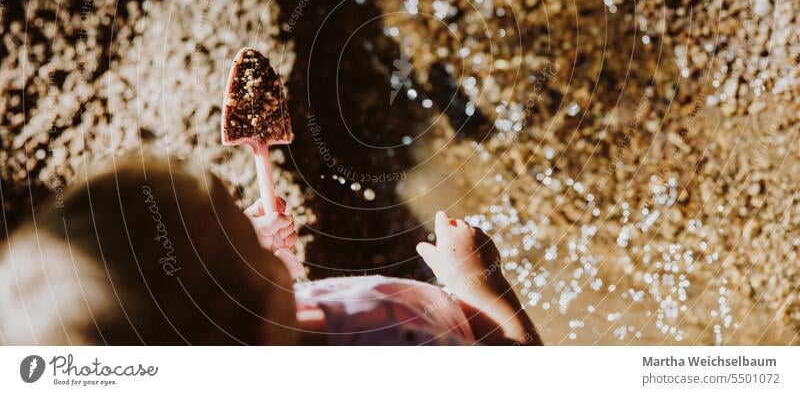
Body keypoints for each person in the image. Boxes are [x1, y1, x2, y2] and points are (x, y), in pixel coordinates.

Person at [0, 152, 540, 345]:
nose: (266, 237)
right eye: (253, 251)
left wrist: (258, 260)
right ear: (257, 319)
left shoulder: (266, 336)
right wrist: (479, 285)